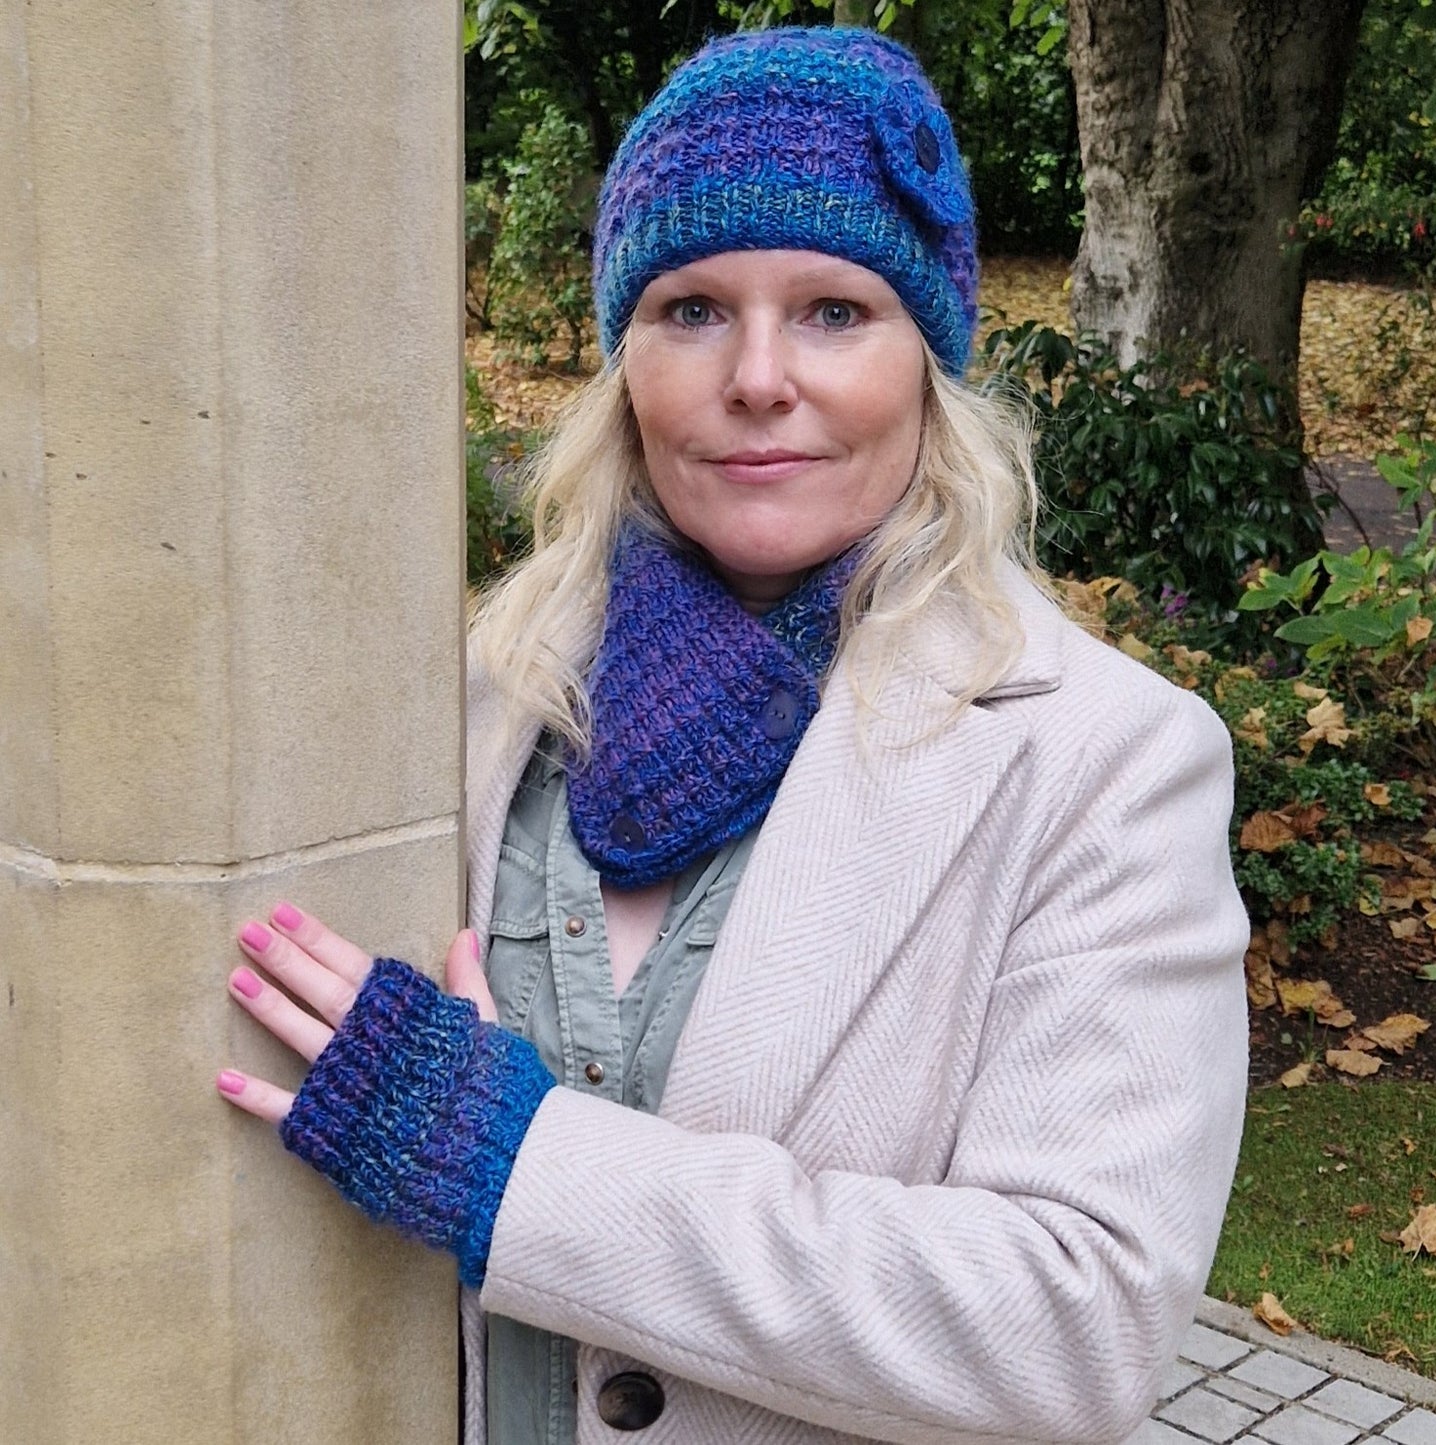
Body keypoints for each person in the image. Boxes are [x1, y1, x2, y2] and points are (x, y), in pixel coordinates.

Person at [216, 26, 1250, 1445]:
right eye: (692, 308)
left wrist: (515, 1165)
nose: (758, 375)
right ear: (623, 356)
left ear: (926, 358)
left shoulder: (1105, 762)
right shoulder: (488, 694)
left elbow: (1076, 1320)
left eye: (833, 310)